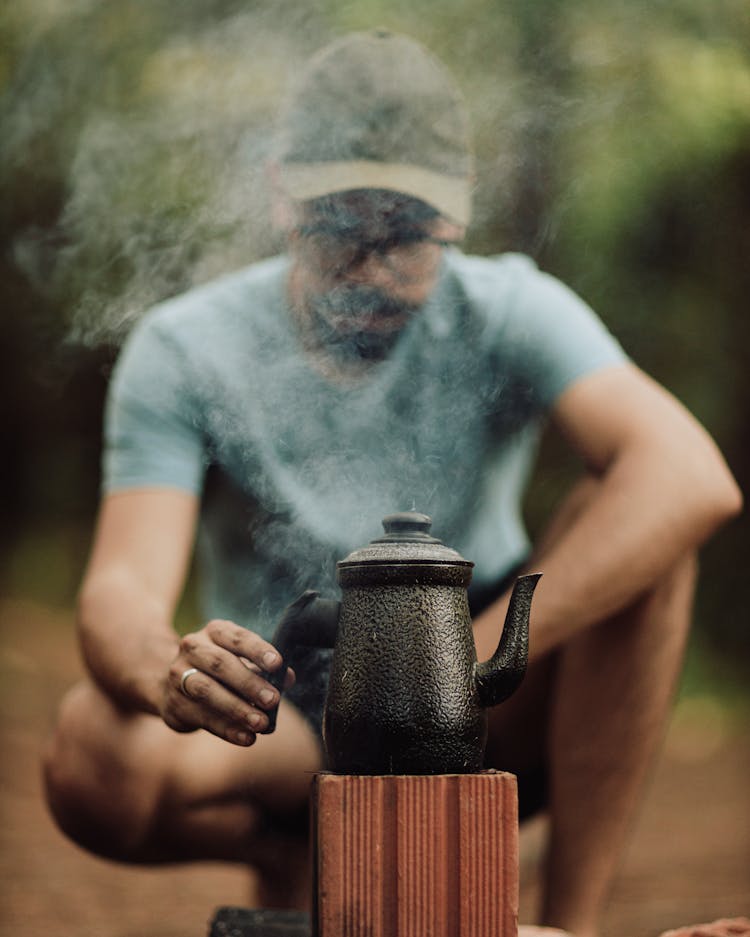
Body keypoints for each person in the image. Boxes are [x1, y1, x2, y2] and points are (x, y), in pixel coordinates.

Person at [43, 29, 741, 936]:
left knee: (653, 552)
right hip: (281, 717)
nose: (374, 271)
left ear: (458, 216)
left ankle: (571, 927)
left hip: (486, 710)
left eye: (408, 236)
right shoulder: (186, 348)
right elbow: (118, 589)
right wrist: (166, 670)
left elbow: (690, 475)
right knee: (91, 753)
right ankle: (300, 844)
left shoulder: (509, 309)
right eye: (343, 229)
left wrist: (461, 669)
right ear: (281, 195)